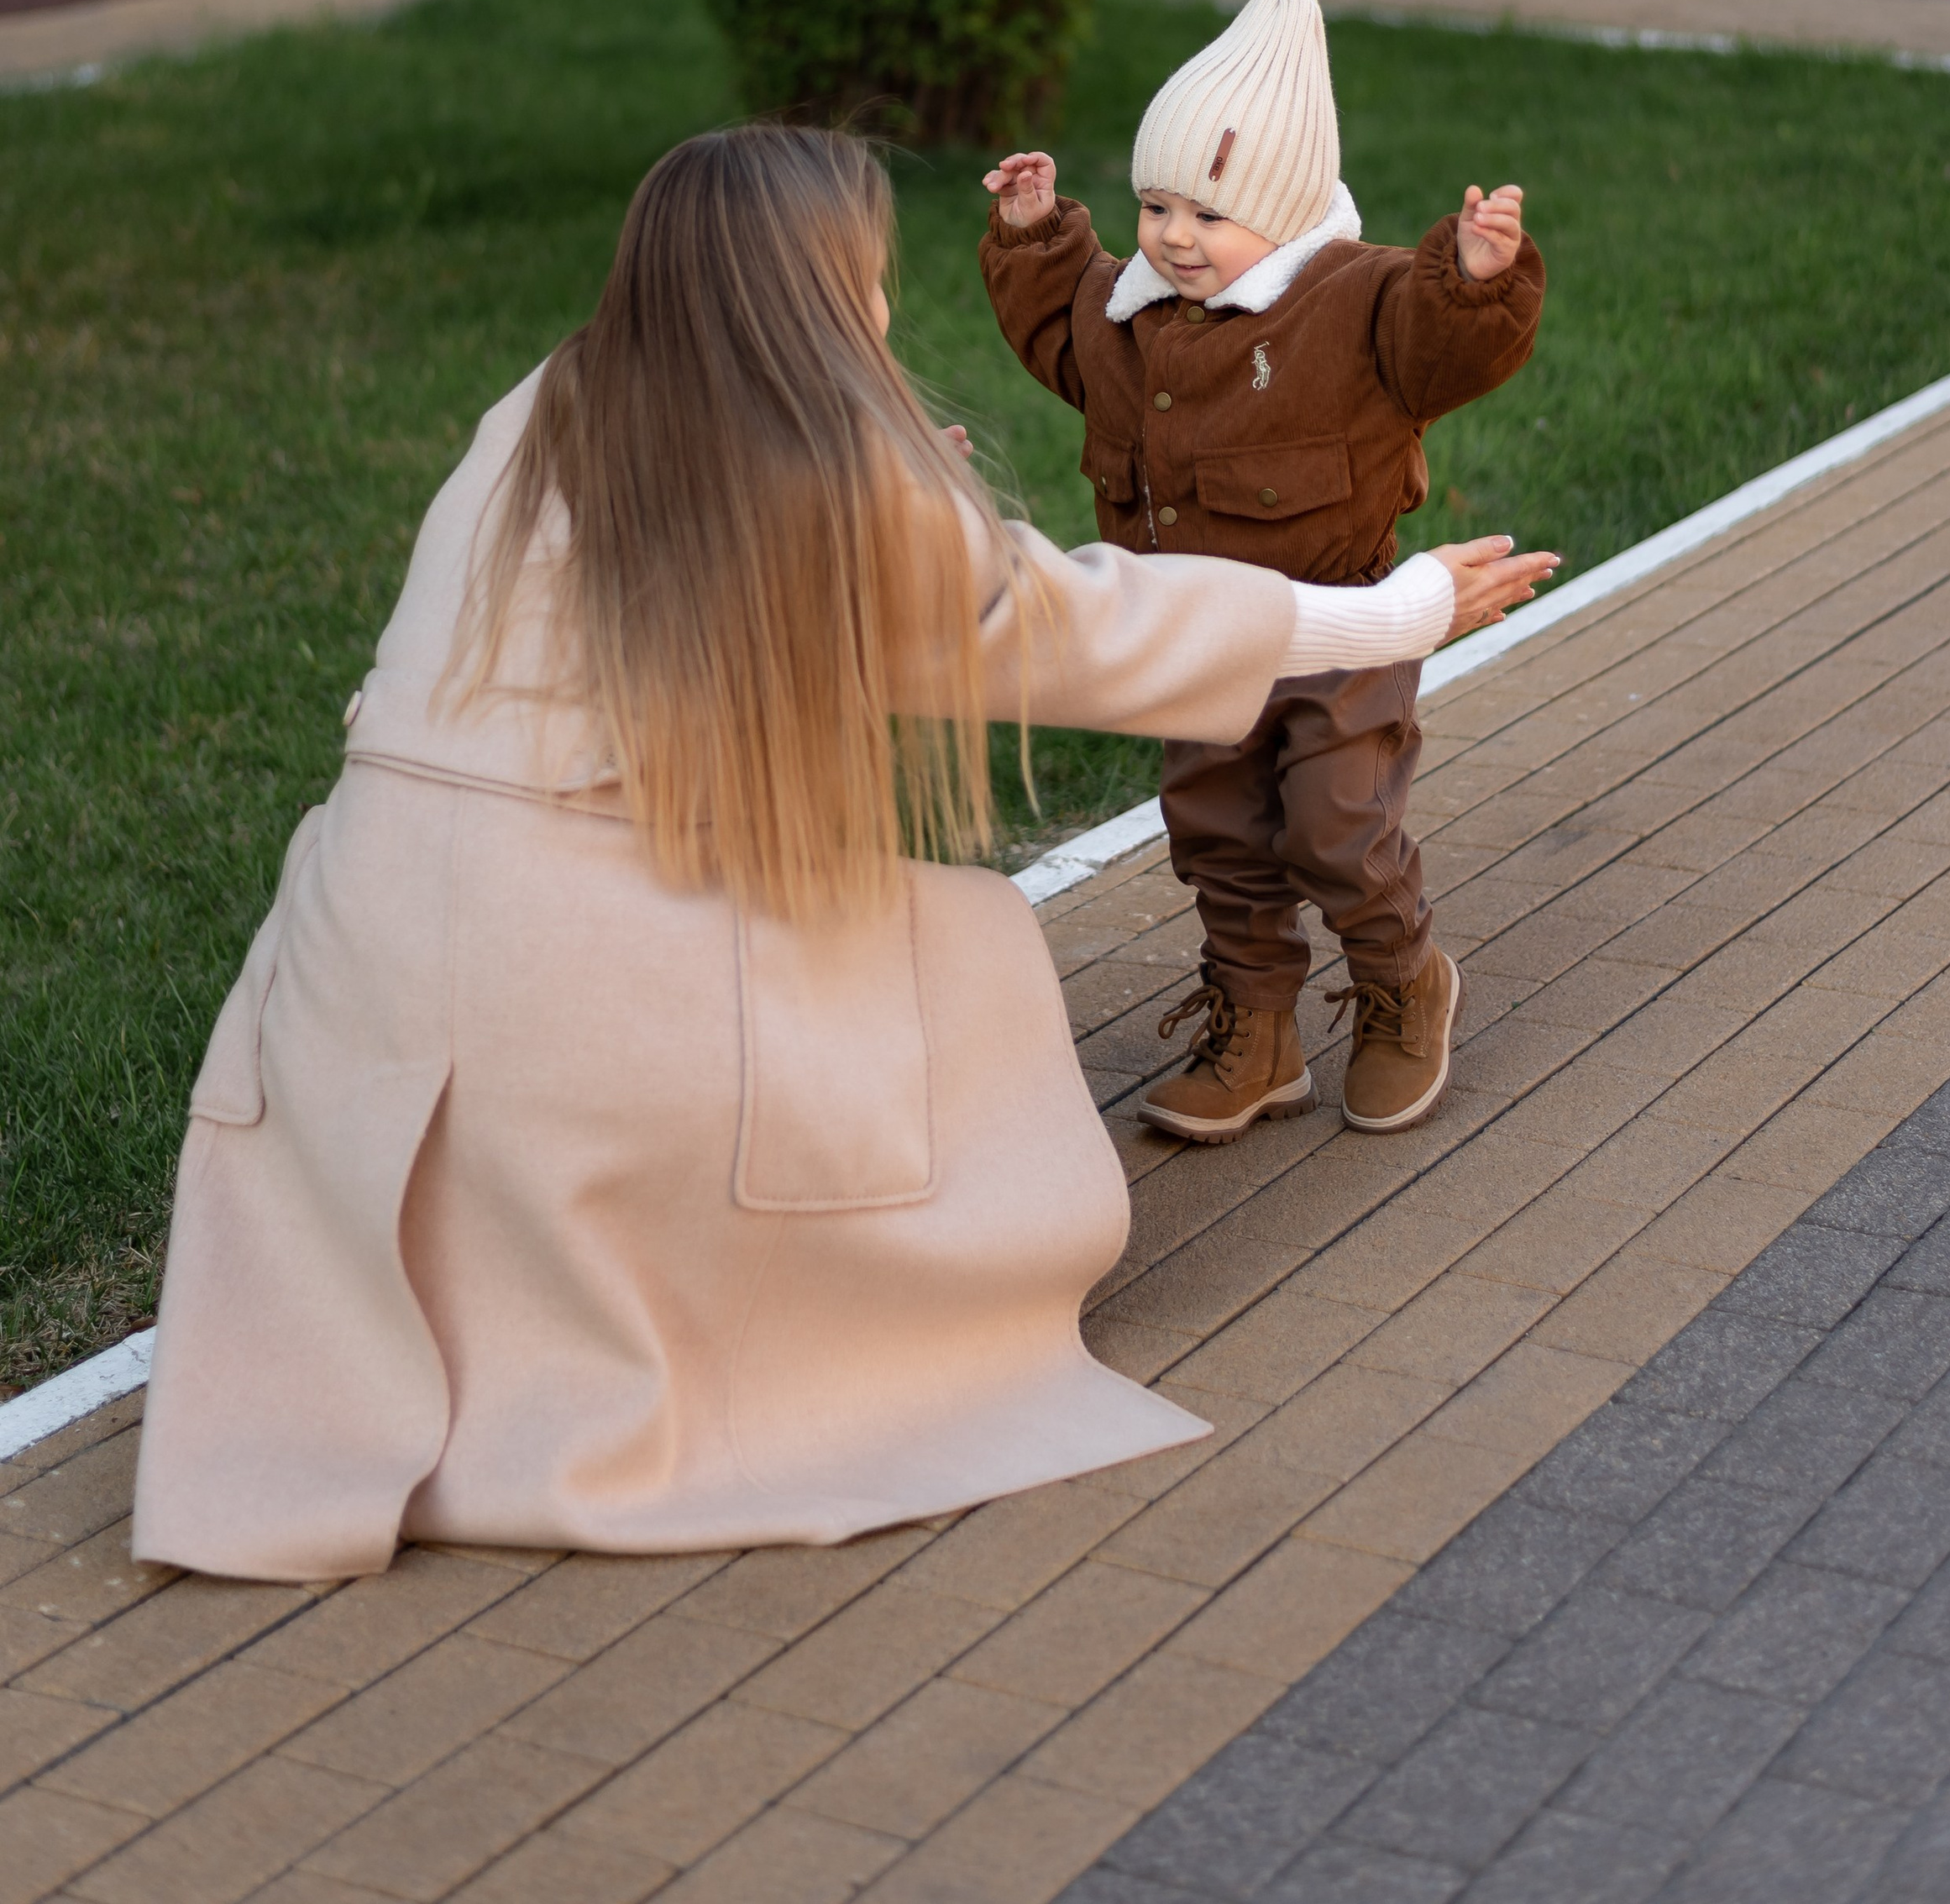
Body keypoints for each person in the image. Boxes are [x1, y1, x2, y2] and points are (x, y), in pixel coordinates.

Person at [132, 124, 1550, 1582]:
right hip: (566, 971)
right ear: (805, 288)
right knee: (962, 948)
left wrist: (897, 524)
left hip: (350, 971)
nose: (882, 307)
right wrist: (1393, 614)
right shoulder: (804, 454)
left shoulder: (549, 403)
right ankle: (861, 1326)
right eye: (864, 277)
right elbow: (1056, 628)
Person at [982, 0, 1549, 1146]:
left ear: (1287, 215)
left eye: (1210, 213)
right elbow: (1063, 337)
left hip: (1340, 631)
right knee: (1217, 830)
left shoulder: (1358, 300)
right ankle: (1257, 1027)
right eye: (1156, 205)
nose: (1176, 237)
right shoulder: (1133, 312)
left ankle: (1404, 983)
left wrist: (1478, 280)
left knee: (1336, 821)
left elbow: (1443, 351)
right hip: (1196, 635)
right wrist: (1041, 241)